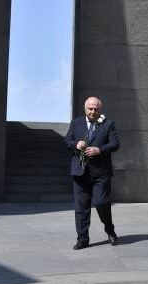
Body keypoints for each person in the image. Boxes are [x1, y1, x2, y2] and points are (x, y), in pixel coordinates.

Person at [64, 96, 120, 250]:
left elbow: (115, 144)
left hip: (101, 173)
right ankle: (82, 239)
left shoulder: (108, 124)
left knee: (102, 203)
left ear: (100, 110)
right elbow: (67, 140)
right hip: (80, 172)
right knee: (81, 208)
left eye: (96, 109)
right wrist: (76, 144)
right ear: (85, 108)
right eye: (90, 108)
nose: (93, 111)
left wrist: (99, 150)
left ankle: (109, 229)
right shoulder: (76, 123)